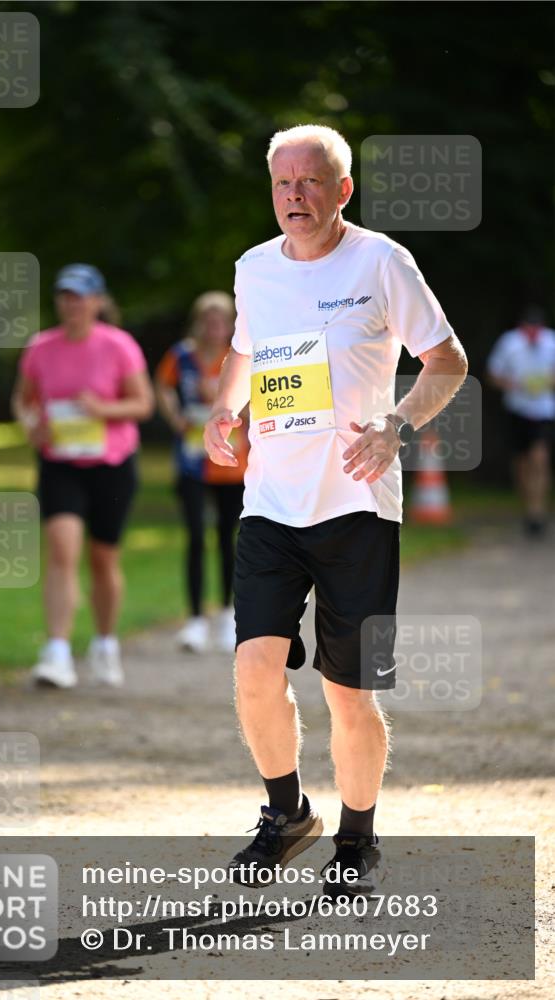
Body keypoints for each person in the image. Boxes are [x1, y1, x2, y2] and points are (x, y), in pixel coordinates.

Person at [203, 124, 468, 893]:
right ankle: (286, 812)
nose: (295, 195)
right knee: (254, 667)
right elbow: (244, 353)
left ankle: (356, 841)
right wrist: (226, 410)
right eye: (282, 183)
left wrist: (395, 426)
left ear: (341, 189)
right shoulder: (253, 269)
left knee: (348, 693)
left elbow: (445, 360)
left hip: (356, 506)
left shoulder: (381, 261)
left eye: (310, 181)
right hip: (270, 505)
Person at [11, 264, 154, 689]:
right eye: (64, 296)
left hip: (112, 464)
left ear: (97, 301)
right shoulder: (40, 347)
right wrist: (31, 424)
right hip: (60, 462)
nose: (71, 304)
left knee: (103, 558)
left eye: (79, 296)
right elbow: (22, 400)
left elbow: (143, 404)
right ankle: (56, 652)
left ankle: (106, 643)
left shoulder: (118, 345)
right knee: (62, 549)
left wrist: (103, 409)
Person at [155, 292, 249, 653]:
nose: (214, 328)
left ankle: (226, 614)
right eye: (208, 321)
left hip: (230, 461)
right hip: (192, 458)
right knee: (195, 535)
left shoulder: (240, 355)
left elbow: (258, 398)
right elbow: (162, 386)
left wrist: (230, 405)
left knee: (228, 538)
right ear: (198, 323)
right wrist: (175, 416)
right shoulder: (182, 356)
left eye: (220, 321)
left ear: (230, 324)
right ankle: (194, 619)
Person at [486, 306, 555, 537]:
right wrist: (513, 384)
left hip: (543, 411)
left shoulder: (551, 342)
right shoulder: (509, 343)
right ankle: (528, 507)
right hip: (517, 410)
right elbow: (493, 374)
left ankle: (538, 511)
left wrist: (547, 382)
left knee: (540, 458)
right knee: (522, 463)